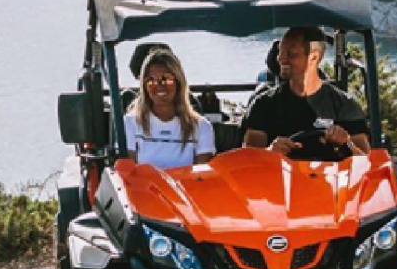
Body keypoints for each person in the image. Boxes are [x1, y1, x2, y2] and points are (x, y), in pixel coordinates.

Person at [243, 26, 371, 158]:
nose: (281, 59)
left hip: (330, 176)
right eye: (280, 52)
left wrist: (347, 144)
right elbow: (248, 160)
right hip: (279, 176)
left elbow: (367, 165)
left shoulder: (345, 105)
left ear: (313, 57)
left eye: (291, 54)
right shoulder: (263, 104)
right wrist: (269, 152)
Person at [124, 49, 215, 169]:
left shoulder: (202, 127)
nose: (159, 86)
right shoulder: (130, 123)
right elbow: (127, 175)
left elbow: (202, 178)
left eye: (166, 79)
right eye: (151, 80)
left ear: (178, 82)